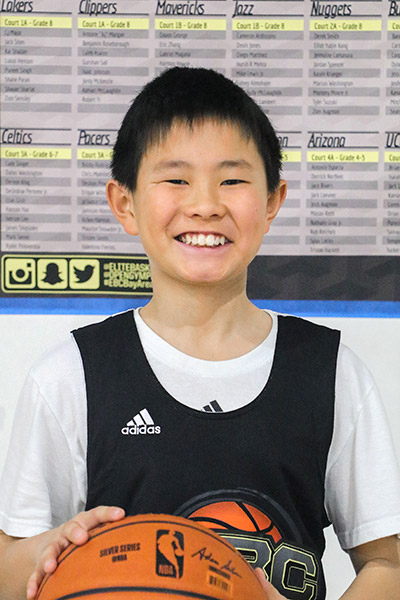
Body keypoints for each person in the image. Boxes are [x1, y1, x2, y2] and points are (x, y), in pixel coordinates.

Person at [0, 67, 400, 600]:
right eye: (176, 179)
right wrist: (49, 551)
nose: (206, 204)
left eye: (232, 180)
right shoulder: (71, 376)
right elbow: (7, 566)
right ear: (125, 203)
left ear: (273, 201)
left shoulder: (330, 373)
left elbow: (389, 562)